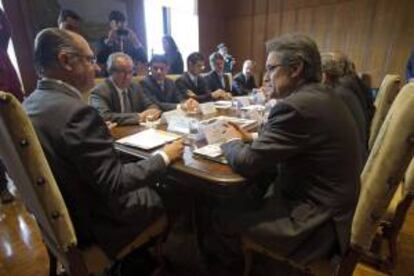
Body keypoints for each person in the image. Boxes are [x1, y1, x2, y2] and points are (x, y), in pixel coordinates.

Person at [203, 34, 362, 274]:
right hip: (333, 209)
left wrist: (232, 140)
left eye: (271, 68)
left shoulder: (295, 106)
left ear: (296, 68)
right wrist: (254, 140)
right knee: (248, 192)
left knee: (220, 216)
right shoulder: (322, 96)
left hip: (314, 223)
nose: (266, 77)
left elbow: (248, 162)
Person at [23, 28, 184, 261]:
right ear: (65, 61)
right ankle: (155, 258)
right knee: (173, 190)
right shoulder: (76, 112)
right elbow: (115, 182)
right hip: (98, 224)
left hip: (66, 215)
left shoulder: (29, 103)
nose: (97, 68)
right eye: (90, 60)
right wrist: (165, 156)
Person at [90, 52, 160, 125]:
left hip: (136, 132)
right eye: (122, 72)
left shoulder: (135, 87)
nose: (128, 77)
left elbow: (150, 104)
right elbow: (104, 116)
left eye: (130, 72)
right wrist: (138, 116)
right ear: (111, 72)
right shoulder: (100, 91)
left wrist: (152, 111)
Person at [321, 52, 368, 158]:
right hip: (357, 156)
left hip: (347, 164)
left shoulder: (335, 96)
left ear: (323, 76)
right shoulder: (343, 89)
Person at [0, 8, 24, 204]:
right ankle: (2, 187)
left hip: (12, 95)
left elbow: (6, 28)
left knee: (17, 137)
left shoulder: (2, 46)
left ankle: (21, 178)